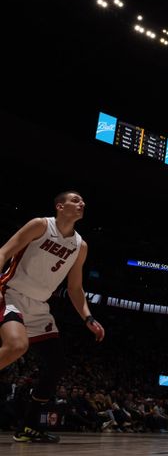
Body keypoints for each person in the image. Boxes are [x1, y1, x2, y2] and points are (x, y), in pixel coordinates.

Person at [0, 190, 105, 443]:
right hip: (11, 293)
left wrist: (88, 318)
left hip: (39, 307)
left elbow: (75, 289)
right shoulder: (40, 225)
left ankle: (29, 426)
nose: (82, 203)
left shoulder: (80, 246)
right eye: (75, 200)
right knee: (16, 346)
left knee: (57, 364)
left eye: (83, 201)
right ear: (60, 206)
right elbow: (4, 251)